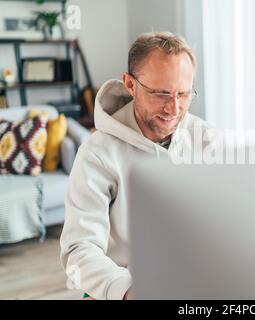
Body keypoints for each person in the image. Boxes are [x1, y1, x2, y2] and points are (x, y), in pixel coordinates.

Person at [60, 32, 211, 300]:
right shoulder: (96, 154)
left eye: (183, 94)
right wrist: (128, 291)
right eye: (161, 94)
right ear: (130, 84)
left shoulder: (207, 140)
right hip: (121, 288)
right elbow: (77, 252)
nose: (173, 108)